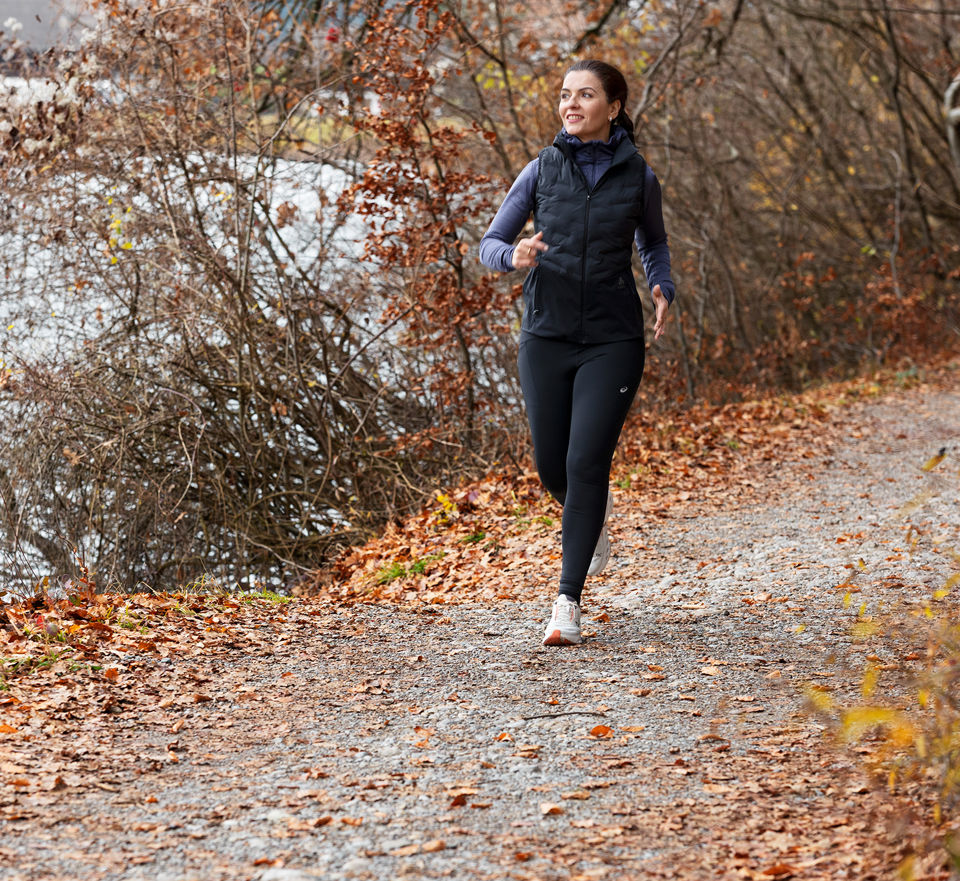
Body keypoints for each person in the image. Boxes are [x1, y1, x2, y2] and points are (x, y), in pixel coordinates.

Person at [478, 59, 675, 646]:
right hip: (546, 334)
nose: (571, 104)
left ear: (612, 107)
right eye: (565, 95)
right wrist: (512, 258)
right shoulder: (540, 170)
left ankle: (566, 603)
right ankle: (590, 517)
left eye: (585, 95)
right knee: (552, 467)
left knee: (587, 464)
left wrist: (663, 286)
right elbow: (490, 243)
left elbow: (654, 242)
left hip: (614, 338)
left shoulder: (638, 175)